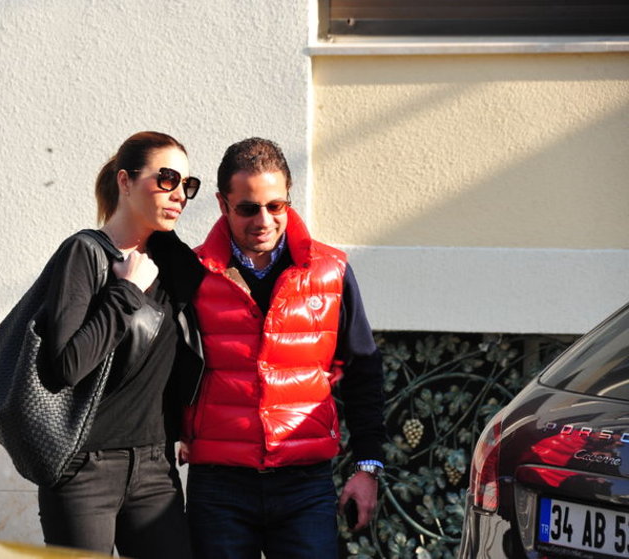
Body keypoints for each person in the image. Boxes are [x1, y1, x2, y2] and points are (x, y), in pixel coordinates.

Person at [181, 137, 386, 559]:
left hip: (304, 484)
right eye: (248, 208)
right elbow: (166, 370)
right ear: (222, 204)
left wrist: (368, 467)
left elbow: (363, 372)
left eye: (276, 206)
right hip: (219, 485)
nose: (264, 220)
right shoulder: (192, 274)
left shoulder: (331, 271)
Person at [37, 131, 205, 559]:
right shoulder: (85, 253)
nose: (179, 194)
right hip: (84, 469)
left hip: (155, 467)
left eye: (187, 184)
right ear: (125, 181)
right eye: (166, 179)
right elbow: (64, 366)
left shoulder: (174, 264)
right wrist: (126, 291)